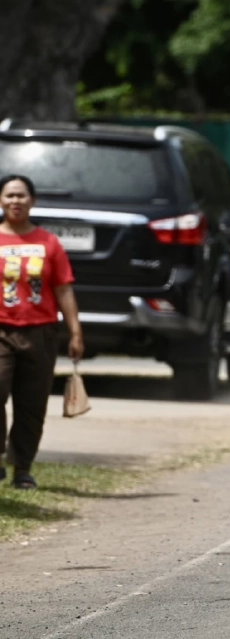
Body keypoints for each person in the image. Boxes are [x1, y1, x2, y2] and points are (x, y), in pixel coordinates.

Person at [0, 174, 84, 489]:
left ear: (32, 201)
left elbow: (63, 290)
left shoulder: (48, 243)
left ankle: (22, 467)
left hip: (41, 333)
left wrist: (75, 332)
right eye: (9, 195)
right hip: (1, 329)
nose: (15, 201)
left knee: (31, 404)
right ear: (1, 200)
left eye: (21, 195)